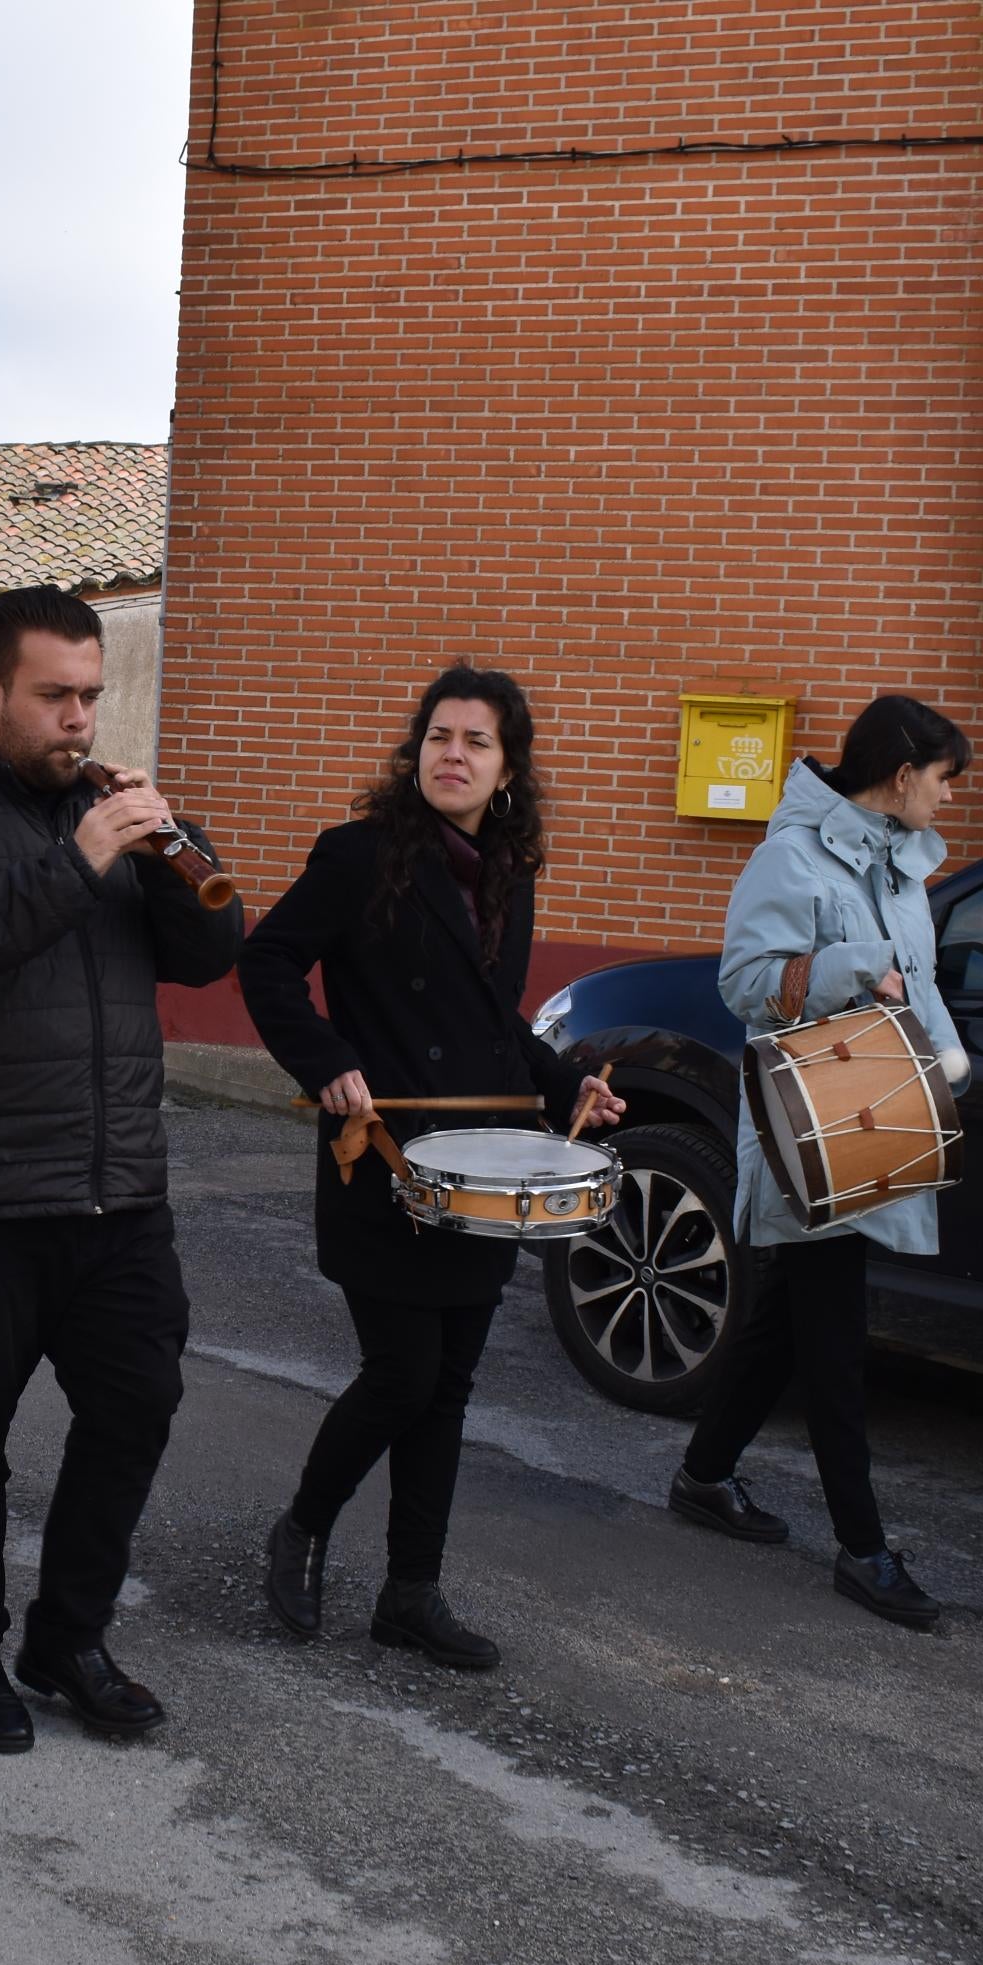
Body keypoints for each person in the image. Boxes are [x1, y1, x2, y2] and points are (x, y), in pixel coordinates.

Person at [0, 583, 243, 1756]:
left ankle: (67, 1635)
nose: (79, 720)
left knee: (139, 1402)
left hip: (116, 1180)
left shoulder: (110, 813)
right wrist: (77, 862)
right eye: (55, 696)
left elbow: (211, 950)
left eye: (91, 697)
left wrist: (178, 851)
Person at [240, 665, 620, 1669]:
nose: (453, 753)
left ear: (507, 769)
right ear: (416, 753)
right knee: (402, 1373)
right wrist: (326, 1063)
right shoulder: (360, 855)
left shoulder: (508, 869)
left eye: (477, 741)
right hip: (389, 1163)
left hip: (484, 1171)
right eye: (439, 735)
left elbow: (490, 1023)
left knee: (445, 1385)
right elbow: (268, 961)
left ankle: (411, 1591)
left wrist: (568, 1079)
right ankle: (302, 1527)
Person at [664, 695, 971, 1629]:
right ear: (904, 771)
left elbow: (910, 980)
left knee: (792, 1322)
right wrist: (848, 965)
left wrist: (950, 1073)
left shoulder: (903, 864)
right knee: (836, 1345)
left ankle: (703, 1476)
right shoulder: (789, 858)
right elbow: (744, 985)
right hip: (813, 1135)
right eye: (944, 781)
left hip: (879, 1117)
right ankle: (864, 1550)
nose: (948, 802)